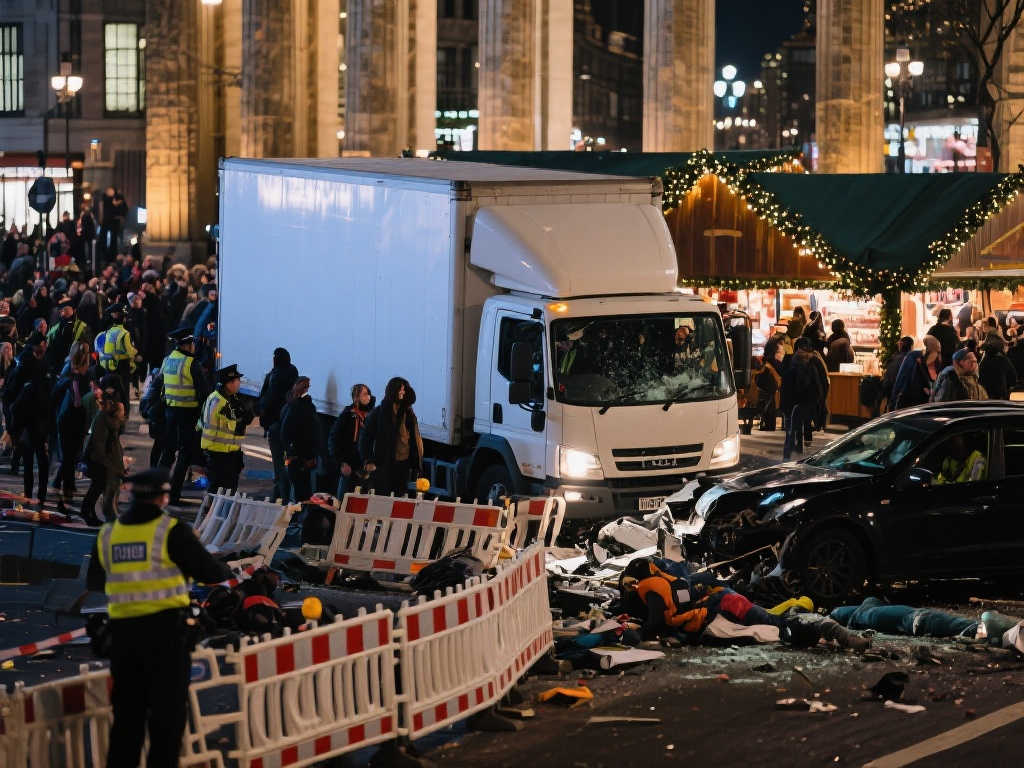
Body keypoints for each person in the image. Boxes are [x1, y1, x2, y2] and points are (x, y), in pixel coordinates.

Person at [86, 467, 232, 768]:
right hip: (166, 636)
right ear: (163, 498)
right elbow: (211, 572)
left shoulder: (108, 533)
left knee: (127, 722)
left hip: (123, 638)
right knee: (166, 724)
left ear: (130, 495)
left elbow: (96, 581)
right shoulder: (171, 531)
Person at [619, 557, 869, 650]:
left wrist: (637, 633)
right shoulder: (670, 576)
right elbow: (702, 580)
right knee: (773, 621)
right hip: (724, 600)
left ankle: (831, 629)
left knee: (775, 625)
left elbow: (656, 622)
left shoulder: (650, 589)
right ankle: (820, 626)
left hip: (721, 609)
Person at [159, 328, 211, 503]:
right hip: (188, 414)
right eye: (193, 343)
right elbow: (203, 393)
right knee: (184, 454)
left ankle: (158, 490)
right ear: (188, 345)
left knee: (167, 453)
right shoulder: (191, 363)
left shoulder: (169, 359)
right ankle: (173, 495)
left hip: (170, 411)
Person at [6, 335, 51, 508]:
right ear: (39, 346)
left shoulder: (26, 362)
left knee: (33, 459)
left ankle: (33, 495)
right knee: (37, 459)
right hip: (32, 419)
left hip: (31, 419)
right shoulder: (29, 365)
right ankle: (37, 495)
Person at [360, 376, 423, 496]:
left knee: (400, 498)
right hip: (383, 464)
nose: (403, 392)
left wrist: (417, 466)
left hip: (403, 465)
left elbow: (415, 440)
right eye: (401, 389)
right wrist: (368, 461)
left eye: (404, 389)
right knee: (383, 498)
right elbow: (365, 438)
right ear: (393, 391)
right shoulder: (378, 413)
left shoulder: (408, 414)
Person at [51, 343, 92, 518]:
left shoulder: (76, 373)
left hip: (73, 419)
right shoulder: (73, 375)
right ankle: (62, 488)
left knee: (71, 455)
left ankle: (65, 486)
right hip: (69, 419)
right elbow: (75, 400)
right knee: (69, 456)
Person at [200, 364, 253, 493]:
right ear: (228, 383)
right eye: (237, 381)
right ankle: (210, 512)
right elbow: (235, 424)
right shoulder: (219, 402)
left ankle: (218, 512)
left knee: (228, 489)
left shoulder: (226, 398)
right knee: (218, 490)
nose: (239, 383)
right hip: (219, 453)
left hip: (229, 452)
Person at [81, 378, 127, 526]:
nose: (123, 410)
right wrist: (109, 465)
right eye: (121, 407)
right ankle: (87, 511)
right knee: (98, 485)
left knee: (98, 486)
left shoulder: (112, 420)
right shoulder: (103, 419)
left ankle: (88, 511)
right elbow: (98, 445)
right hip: (97, 460)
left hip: (102, 460)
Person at [256, 347, 299, 501]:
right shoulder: (294, 373)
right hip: (290, 426)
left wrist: (261, 410)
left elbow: (267, 399)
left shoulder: (275, 376)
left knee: (278, 463)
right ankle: (282, 494)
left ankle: (281, 496)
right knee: (288, 463)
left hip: (276, 425)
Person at [779, 338, 822, 460]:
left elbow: (785, 382)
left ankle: (789, 454)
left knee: (791, 429)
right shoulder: (810, 364)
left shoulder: (792, 362)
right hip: (799, 403)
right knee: (792, 429)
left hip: (795, 403)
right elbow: (817, 385)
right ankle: (790, 454)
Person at [329, 383, 374, 497]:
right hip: (350, 465)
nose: (367, 396)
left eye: (368, 393)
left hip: (365, 467)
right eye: (364, 394)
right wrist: (341, 462)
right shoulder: (348, 415)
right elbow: (334, 439)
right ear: (356, 397)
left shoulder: (372, 416)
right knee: (344, 499)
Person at [99, 302, 137, 411]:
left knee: (111, 393)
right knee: (123, 393)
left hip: (109, 367)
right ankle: (124, 414)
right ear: (123, 318)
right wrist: (135, 351)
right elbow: (130, 352)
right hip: (122, 367)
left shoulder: (108, 332)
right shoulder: (124, 333)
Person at [891, 335, 941, 409]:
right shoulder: (914, 359)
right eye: (938, 352)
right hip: (913, 406)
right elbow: (901, 380)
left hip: (927, 408)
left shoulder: (938, 366)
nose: (939, 355)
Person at [753, 340, 783, 431]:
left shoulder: (765, 360)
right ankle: (768, 424)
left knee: (768, 406)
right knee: (769, 406)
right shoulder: (772, 362)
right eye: (778, 351)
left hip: (764, 388)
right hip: (769, 388)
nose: (781, 352)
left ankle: (767, 424)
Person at [979, 335, 1018, 400]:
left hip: (985, 394)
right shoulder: (1003, 360)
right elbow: (1013, 377)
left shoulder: (984, 361)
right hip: (1001, 394)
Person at [881, 336, 914, 411]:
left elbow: (887, 381)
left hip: (892, 395)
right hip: (903, 398)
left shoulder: (894, 358)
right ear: (911, 346)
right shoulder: (911, 359)